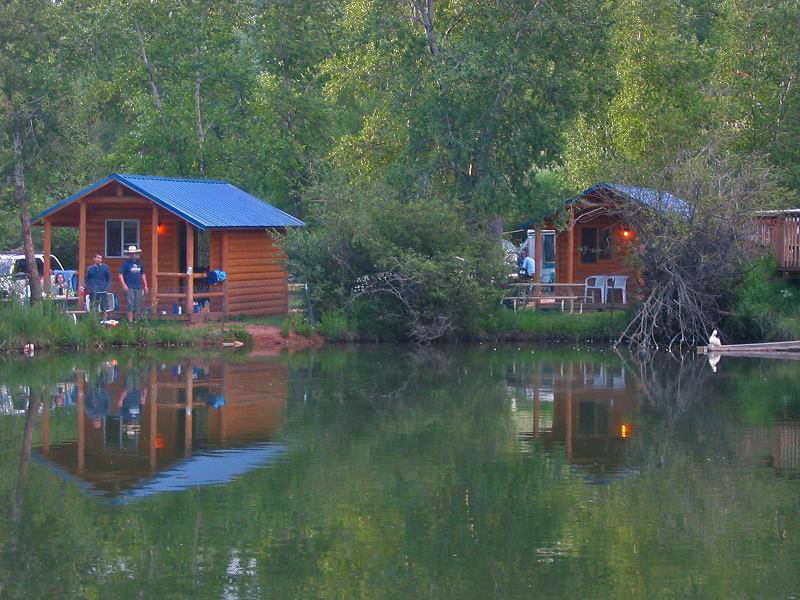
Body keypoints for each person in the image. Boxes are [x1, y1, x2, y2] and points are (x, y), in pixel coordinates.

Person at [118, 245, 149, 322]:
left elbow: (143, 274)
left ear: (136, 254)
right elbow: (120, 274)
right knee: (130, 305)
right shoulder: (126, 264)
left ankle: (136, 321)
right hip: (129, 287)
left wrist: (145, 285)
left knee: (137, 305)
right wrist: (124, 285)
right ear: (129, 254)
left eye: (134, 253)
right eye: (131, 253)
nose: (133, 255)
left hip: (138, 287)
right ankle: (130, 322)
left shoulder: (139, 263)